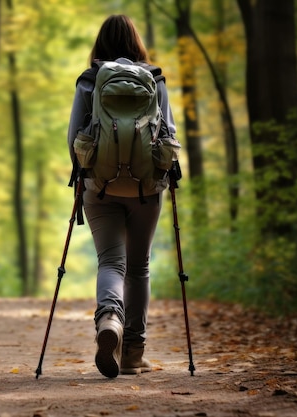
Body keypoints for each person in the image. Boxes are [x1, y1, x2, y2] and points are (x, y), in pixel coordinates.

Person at [67, 14, 178, 378]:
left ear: (100, 44)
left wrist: (82, 177)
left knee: (111, 262)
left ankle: (109, 320)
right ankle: (132, 353)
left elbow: (74, 138)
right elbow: (170, 134)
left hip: (100, 186)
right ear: (137, 42)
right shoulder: (155, 78)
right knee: (139, 267)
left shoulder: (90, 80)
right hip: (146, 187)